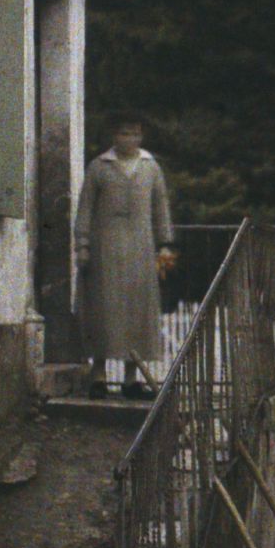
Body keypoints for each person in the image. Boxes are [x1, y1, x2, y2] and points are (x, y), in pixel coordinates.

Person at [75, 112, 175, 400]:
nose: (127, 138)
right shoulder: (99, 167)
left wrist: (165, 245)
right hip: (105, 248)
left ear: (140, 136)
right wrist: (82, 244)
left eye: (132, 133)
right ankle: (99, 375)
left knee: (138, 310)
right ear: (113, 136)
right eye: (122, 133)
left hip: (141, 249)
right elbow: (85, 209)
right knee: (104, 309)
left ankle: (132, 379)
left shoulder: (150, 167)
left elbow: (161, 207)